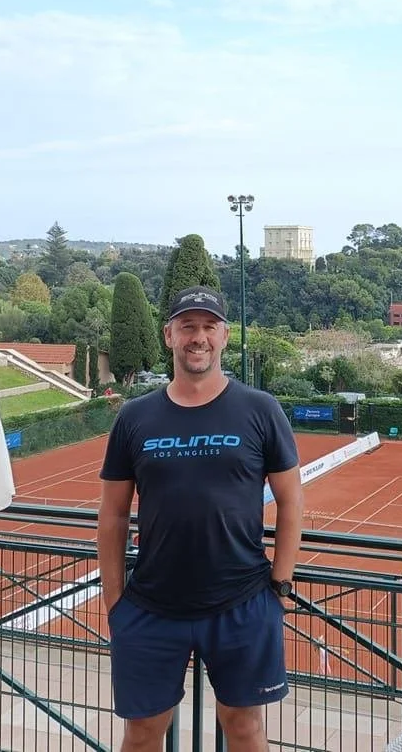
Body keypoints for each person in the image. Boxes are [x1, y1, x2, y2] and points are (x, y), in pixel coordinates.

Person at [97, 286, 303, 752]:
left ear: (224, 336)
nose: (199, 337)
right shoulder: (134, 417)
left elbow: (291, 501)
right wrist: (115, 603)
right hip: (150, 608)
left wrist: (280, 588)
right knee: (143, 732)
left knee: (245, 728)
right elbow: (112, 515)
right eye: (188, 327)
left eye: (209, 327)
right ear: (169, 335)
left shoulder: (260, 409)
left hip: (244, 604)